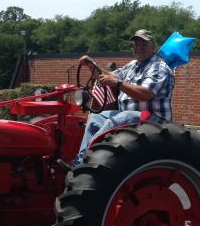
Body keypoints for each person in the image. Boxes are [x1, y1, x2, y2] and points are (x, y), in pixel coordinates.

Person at [72, 29, 173, 166]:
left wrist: (118, 83)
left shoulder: (158, 67)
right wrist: (92, 65)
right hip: (131, 115)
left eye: (144, 44)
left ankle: (86, 161)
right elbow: (110, 76)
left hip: (154, 120)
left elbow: (145, 94)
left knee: (120, 118)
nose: (139, 48)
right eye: (136, 44)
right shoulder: (133, 65)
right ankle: (79, 162)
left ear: (153, 47)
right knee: (96, 118)